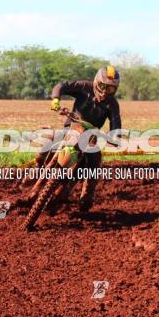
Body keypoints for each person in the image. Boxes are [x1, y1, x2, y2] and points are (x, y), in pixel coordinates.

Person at [47, 66, 122, 211]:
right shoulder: (84, 87)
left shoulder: (112, 103)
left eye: (111, 89)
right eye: (103, 86)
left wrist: (115, 137)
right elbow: (61, 86)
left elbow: (116, 122)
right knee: (48, 142)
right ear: (96, 82)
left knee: (95, 163)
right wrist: (56, 99)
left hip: (90, 136)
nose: (106, 91)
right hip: (72, 127)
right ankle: (40, 165)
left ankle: (86, 196)